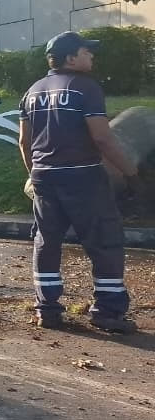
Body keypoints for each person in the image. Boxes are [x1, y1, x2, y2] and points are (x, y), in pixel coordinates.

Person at [19, 31, 141, 333]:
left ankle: (47, 310)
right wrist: (130, 173)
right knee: (104, 240)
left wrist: (34, 173)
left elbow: (24, 141)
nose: (92, 56)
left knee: (46, 241)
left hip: (44, 176)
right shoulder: (85, 88)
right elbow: (102, 138)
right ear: (71, 58)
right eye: (87, 52)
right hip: (83, 176)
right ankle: (108, 312)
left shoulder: (32, 91)